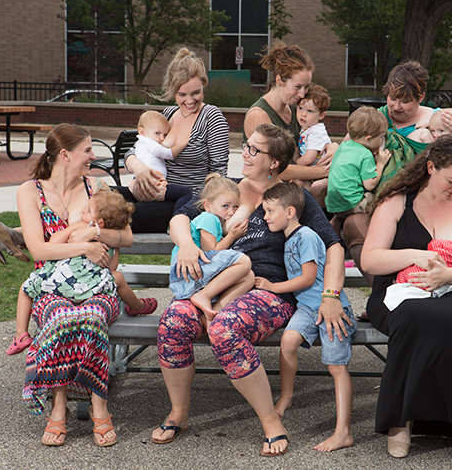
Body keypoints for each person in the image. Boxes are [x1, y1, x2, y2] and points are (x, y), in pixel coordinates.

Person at [150, 124, 352, 457]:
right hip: (216, 282)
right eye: (246, 145)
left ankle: (271, 422)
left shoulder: (291, 198)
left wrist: (329, 297)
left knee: (225, 328)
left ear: (274, 163)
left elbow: (334, 247)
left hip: (269, 291)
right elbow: (180, 216)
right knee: (173, 320)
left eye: (255, 150)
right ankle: (179, 413)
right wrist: (186, 244)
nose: (245, 152)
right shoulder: (227, 188)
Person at [360, 135, 452, 469]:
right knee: (414, 316)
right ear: (430, 167)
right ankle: (401, 419)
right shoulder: (397, 201)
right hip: (397, 291)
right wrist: (416, 256)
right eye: (451, 179)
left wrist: (447, 277)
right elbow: (370, 260)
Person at [16, 123, 131, 447]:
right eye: (88, 150)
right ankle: (59, 407)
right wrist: (83, 246)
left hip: (97, 284)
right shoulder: (30, 191)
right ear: (65, 155)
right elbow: (39, 250)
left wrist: (96, 234)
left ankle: (99, 403)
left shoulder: (97, 187)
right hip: (52, 286)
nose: (94, 157)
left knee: (92, 318)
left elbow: (127, 236)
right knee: (60, 319)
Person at [341, 61, 452, 290]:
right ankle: (385, 295)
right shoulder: (376, 118)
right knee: (354, 225)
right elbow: (348, 147)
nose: (396, 106)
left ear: (421, 97)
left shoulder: (441, 121)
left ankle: (422, 289)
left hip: (429, 208)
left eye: (405, 100)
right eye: (392, 98)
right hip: (386, 205)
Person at [254, 182, 356, 453]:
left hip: (331, 309)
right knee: (288, 341)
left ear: (289, 211)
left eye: (269, 211)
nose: (265, 217)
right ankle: (286, 396)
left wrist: (273, 287)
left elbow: (309, 277)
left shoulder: (307, 235)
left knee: (336, 366)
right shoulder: (290, 238)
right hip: (307, 310)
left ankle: (343, 431)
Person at [6, 189, 156, 356]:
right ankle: (137, 306)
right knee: (118, 278)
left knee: (26, 289)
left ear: (100, 222)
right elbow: (111, 267)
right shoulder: (112, 240)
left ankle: (21, 334)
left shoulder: (79, 226)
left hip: (62, 285)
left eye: (88, 210)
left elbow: (54, 241)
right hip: (90, 290)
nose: (84, 210)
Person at [123, 48, 230, 232]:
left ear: (204, 84)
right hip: (152, 192)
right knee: (101, 196)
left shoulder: (212, 117)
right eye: (182, 95)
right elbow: (137, 148)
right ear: (173, 92)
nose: (189, 101)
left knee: (123, 213)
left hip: (185, 202)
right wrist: (137, 167)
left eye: (196, 92)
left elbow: (218, 175)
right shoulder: (168, 114)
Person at [243, 43, 338, 184]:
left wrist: (332, 147)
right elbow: (280, 169)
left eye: (307, 87)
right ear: (279, 80)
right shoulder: (258, 116)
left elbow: (315, 138)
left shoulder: (296, 108)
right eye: (298, 87)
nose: (302, 93)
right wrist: (329, 170)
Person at [168, 173, 254, 322]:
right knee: (244, 262)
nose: (231, 212)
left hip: (194, 270)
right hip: (190, 267)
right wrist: (232, 237)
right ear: (207, 205)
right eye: (225, 206)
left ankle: (212, 314)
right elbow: (210, 251)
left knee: (248, 278)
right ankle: (203, 296)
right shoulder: (209, 218)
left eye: (235, 207)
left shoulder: (216, 221)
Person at [384, 230, 452, 311]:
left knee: (410, 272)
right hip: (436, 284)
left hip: (425, 270)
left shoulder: (451, 246)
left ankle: (399, 281)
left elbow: (433, 244)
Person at [326, 106, 392, 228]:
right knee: (381, 199)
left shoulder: (344, 145)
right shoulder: (365, 155)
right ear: (368, 139)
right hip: (352, 204)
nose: (383, 139)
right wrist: (381, 163)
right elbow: (370, 184)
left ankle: (336, 223)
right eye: (381, 136)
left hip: (334, 204)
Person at [125, 110, 193, 211]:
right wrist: (186, 140)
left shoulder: (140, 142)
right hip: (153, 184)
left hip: (139, 184)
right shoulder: (149, 142)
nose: (162, 138)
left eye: (165, 135)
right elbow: (168, 154)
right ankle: (177, 218)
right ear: (142, 132)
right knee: (186, 193)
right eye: (157, 133)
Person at [293, 84, 331, 206]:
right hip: (313, 172)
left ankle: (321, 214)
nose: (303, 114)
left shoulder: (316, 131)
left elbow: (309, 157)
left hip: (324, 172)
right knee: (296, 183)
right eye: (300, 108)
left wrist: (295, 164)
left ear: (321, 115)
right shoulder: (306, 128)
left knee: (316, 187)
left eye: (309, 111)